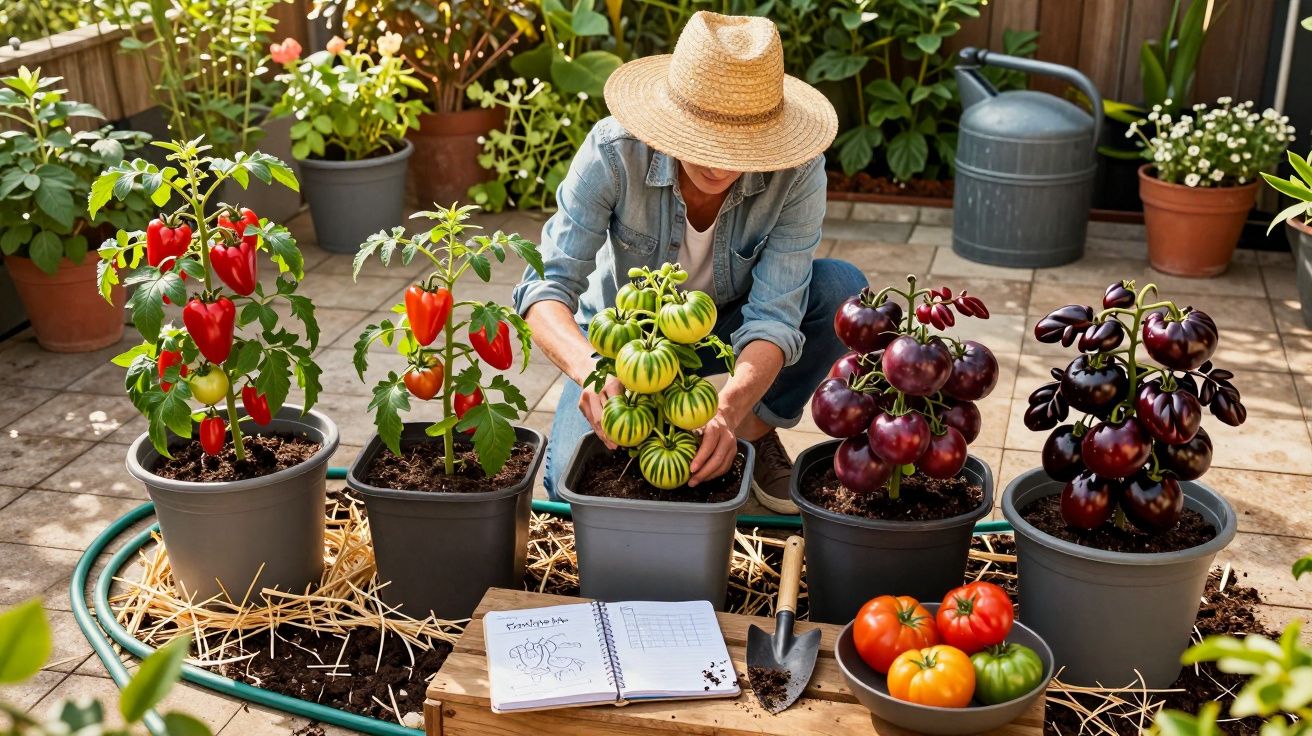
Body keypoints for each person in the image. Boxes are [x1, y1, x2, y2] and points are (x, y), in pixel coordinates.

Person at [513, 11, 867, 513]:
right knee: (571, 490)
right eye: (702, 139)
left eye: (738, 145)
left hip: (728, 326)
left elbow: (774, 316)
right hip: (623, 345)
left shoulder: (798, 174)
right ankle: (675, 418)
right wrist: (588, 368)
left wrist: (728, 410)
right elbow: (544, 288)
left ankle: (754, 428)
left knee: (841, 292)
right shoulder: (614, 153)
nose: (718, 163)